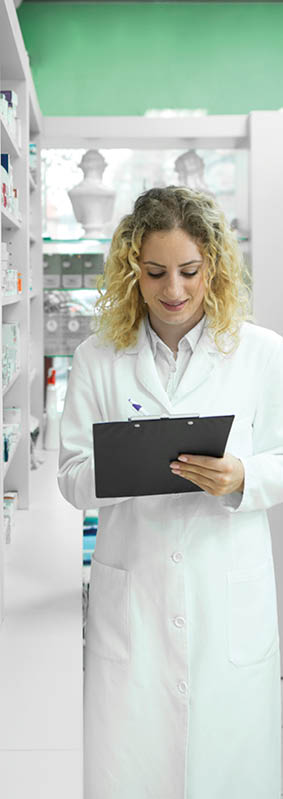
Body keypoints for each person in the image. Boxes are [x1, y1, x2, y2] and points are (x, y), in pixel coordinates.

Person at [57, 186, 283, 799]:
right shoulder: (99, 357)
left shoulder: (261, 354)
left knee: (233, 768)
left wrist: (243, 477)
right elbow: (70, 475)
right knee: (131, 770)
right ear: (134, 269)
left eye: (189, 271)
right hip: (137, 597)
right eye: (156, 273)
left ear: (214, 266)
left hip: (226, 596)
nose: (174, 290)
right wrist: (120, 468)